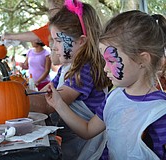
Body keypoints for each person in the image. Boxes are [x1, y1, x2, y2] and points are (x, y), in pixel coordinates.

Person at [45, 10, 166, 159]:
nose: (105, 68)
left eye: (112, 61)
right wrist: (58, 104)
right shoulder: (113, 98)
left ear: (143, 60)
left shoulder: (160, 112)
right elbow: (87, 130)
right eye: (104, 61)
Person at [30, 1, 112, 159]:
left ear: (81, 41)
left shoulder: (84, 70)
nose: (53, 47)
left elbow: (48, 104)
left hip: (92, 150)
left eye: (58, 41)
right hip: (76, 144)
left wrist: (6, 89)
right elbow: (40, 95)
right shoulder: (66, 68)